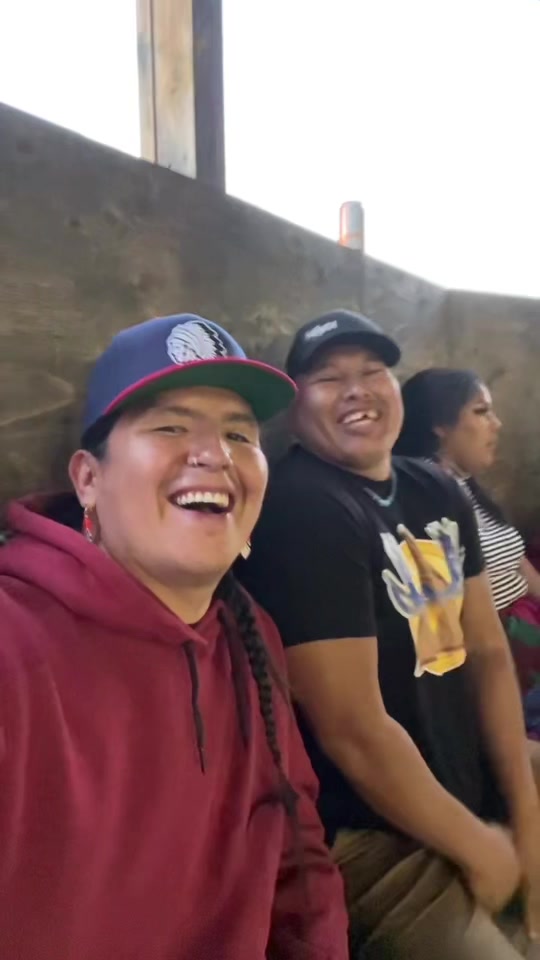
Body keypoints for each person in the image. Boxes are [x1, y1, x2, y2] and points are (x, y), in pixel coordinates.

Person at [0, 312, 348, 960]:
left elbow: (298, 859)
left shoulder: (251, 635)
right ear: (88, 479)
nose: (215, 455)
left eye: (240, 434)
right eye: (170, 426)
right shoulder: (14, 642)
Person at [238, 309, 540, 959]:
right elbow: (354, 732)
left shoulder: (436, 488)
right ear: (295, 409)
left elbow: (489, 654)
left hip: (465, 775)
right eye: (329, 378)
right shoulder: (301, 507)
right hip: (371, 829)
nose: (357, 389)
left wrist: (526, 813)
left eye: (374, 371)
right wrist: (483, 848)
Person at [396, 368, 540, 703]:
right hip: (500, 653)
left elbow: (520, 565)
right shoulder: (422, 498)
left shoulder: (465, 487)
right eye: (481, 411)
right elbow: (449, 631)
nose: (496, 424)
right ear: (440, 425)